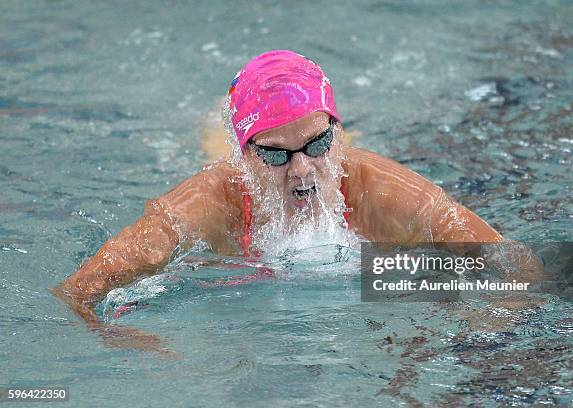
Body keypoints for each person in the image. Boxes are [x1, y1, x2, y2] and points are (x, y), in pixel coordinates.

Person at [54, 50, 526, 348]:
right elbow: (75, 292)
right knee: (202, 147)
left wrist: (488, 320)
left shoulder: (389, 194)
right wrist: (113, 337)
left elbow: (518, 268)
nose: (302, 170)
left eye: (318, 146)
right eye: (276, 155)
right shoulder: (197, 208)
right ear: (245, 158)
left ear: (336, 134)